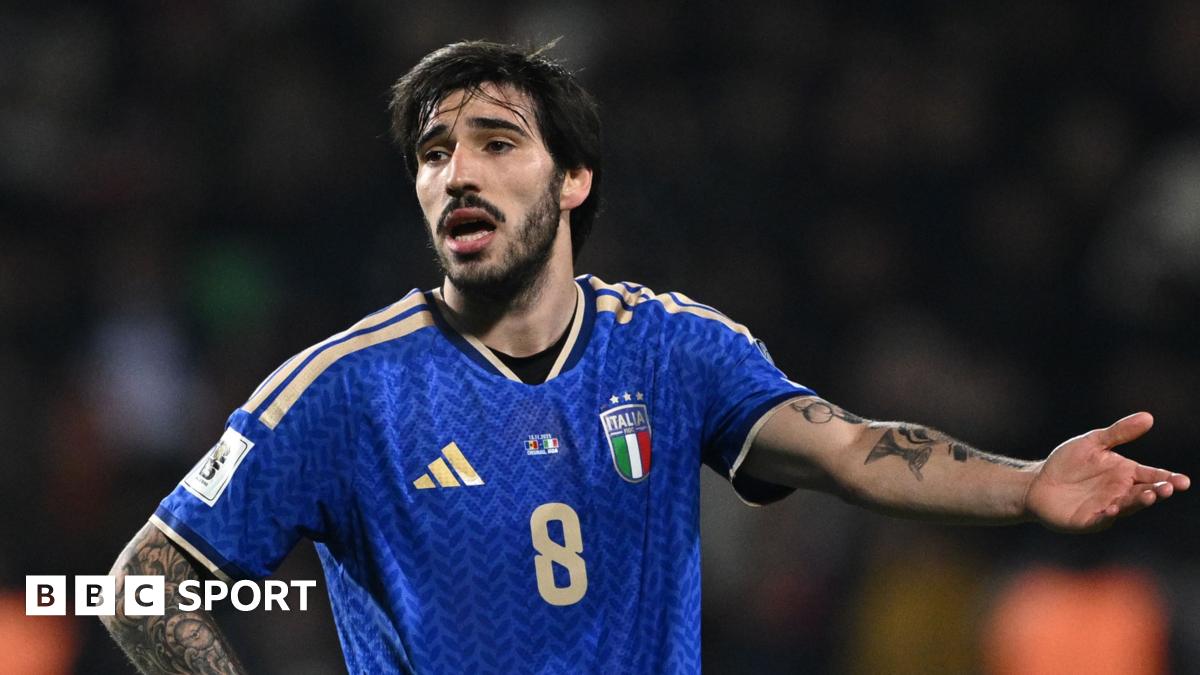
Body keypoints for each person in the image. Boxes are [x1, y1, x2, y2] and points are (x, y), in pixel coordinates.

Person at [101, 40, 1190, 674]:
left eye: (494, 143)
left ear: (573, 181)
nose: (455, 175)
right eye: (434, 154)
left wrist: (1029, 485)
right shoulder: (348, 389)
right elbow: (141, 587)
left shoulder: (670, 349)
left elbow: (856, 450)